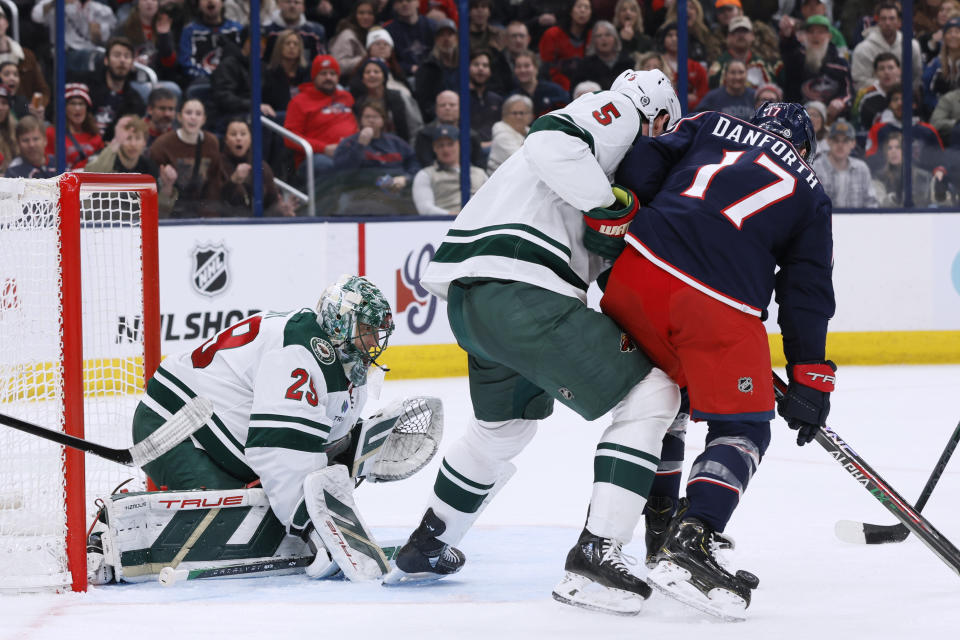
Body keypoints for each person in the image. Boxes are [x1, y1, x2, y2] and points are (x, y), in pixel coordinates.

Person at [386, 70, 683, 618]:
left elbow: (603, 254)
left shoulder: (597, 168)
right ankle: (598, 552)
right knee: (654, 394)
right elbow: (549, 139)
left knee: (504, 429)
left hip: (476, 300)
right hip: (525, 288)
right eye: (665, 127)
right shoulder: (616, 112)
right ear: (656, 113)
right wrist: (610, 203)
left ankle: (429, 540)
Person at [602, 102, 834, 620]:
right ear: (803, 150)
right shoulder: (812, 191)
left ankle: (660, 525)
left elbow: (643, 159)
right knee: (743, 426)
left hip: (636, 275)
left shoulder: (709, 124)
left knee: (670, 397)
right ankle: (694, 535)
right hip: (713, 302)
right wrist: (809, 376)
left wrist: (636, 235)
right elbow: (805, 293)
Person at [103, 276, 394, 582]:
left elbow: (315, 440)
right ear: (339, 323)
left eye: (377, 332)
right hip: (174, 427)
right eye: (366, 329)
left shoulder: (344, 363)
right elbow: (279, 449)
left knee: (270, 520)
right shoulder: (299, 352)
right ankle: (111, 533)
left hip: (223, 437)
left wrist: (351, 450)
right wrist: (315, 526)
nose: (374, 341)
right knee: (233, 526)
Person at [330, 99, 420, 214]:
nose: (371, 120)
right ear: (361, 120)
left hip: (396, 191)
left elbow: (415, 164)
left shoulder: (397, 143)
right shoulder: (349, 143)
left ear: (383, 121)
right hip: (360, 193)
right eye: (367, 117)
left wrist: (406, 178)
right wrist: (360, 145)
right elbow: (342, 172)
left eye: (375, 117)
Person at [284, 54, 358, 179]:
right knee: (328, 166)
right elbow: (290, 137)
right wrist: (324, 149)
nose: (328, 77)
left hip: (350, 152)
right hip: (317, 157)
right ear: (314, 77)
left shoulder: (346, 97)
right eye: (323, 74)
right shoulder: (299, 101)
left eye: (332, 74)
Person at [148, 98, 224, 218]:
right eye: (188, 113)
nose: (193, 117)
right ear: (179, 117)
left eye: (198, 114)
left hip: (202, 213)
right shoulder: (162, 144)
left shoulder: (211, 142)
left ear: (204, 119)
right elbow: (152, 188)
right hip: (171, 212)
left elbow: (214, 184)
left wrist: (211, 218)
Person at [779, 15, 853, 122]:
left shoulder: (840, 64)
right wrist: (787, 36)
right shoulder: (797, 58)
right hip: (798, 119)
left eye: (820, 32)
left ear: (829, 36)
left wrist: (841, 101)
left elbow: (849, 93)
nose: (815, 36)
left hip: (831, 120)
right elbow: (787, 51)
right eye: (811, 32)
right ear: (805, 36)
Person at [73, 36, 147, 141]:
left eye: (127, 56)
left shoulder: (135, 101)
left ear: (132, 64)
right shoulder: (85, 85)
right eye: (117, 55)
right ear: (106, 60)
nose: (122, 60)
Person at [412, 123, 488, 214]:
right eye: (440, 145)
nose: (445, 150)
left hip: (478, 222)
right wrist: (452, 215)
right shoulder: (425, 174)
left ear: (460, 145)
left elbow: (493, 201)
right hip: (443, 224)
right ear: (434, 148)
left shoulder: (479, 173)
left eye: (450, 144)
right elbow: (425, 208)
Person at [850, 2, 922, 94]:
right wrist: (886, 85)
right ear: (877, 21)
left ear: (899, 22)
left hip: (905, 96)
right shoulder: (863, 49)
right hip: (873, 97)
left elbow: (917, 77)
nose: (887, 23)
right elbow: (859, 81)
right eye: (883, 19)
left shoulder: (912, 46)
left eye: (892, 19)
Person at [812, 118, 879, 207]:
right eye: (836, 140)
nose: (840, 145)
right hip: (825, 220)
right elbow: (810, 204)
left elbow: (871, 203)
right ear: (828, 141)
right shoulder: (816, 168)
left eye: (845, 140)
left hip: (857, 220)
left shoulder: (861, 168)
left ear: (853, 143)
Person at [707, 16, 781, 91]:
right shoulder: (720, 65)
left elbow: (771, 94)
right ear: (729, 37)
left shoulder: (761, 65)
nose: (741, 35)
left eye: (745, 31)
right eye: (736, 31)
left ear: (752, 36)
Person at [414, 90, 485, 168]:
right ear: (436, 109)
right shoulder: (424, 134)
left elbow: (478, 164)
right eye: (442, 105)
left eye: (452, 105)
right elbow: (424, 163)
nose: (447, 108)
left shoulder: (471, 135)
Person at [0, 4, 49, 111]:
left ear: (6, 23)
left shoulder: (27, 55)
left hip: (24, 114)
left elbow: (42, 91)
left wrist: (33, 107)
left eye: (0, 17)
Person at [46, 83, 104, 170]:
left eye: (81, 104)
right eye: (73, 103)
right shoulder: (52, 133)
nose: (77, 108)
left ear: (87, 108)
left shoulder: (96, 137)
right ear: (64, 108)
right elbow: (48, 164)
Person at [871, 131, 938, 207]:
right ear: (886, 152)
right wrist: (894, 198)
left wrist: (941, 195)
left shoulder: (924, 177)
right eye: (889, 148)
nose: (893, 151)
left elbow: (939, 203)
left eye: (898, 147)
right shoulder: (878, 177)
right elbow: (880, 203)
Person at [350, 57, 409, 141]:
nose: (372, 75)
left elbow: (412, 125)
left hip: (396, 145)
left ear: (384, 77)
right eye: (367, 72)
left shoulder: (397, 96)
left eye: (376, 72)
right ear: (363, 79)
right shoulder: (358, 102)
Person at [84, 114, 160, 180]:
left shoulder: (150, 167)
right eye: (128, 138)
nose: (133, 144)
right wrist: (115, 144)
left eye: (137, 138)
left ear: (145, 142)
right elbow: (88, 177)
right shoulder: (102, 156)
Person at [538, 0, 593, 92]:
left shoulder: (594, 35)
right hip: (557, 86)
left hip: (586, 86)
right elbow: (547, 68)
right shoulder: (552, 34)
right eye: (579, 7)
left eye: (587, 7)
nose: (582, 11)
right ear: (571, 11)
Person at [413, 18, 459, 121]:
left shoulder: (466, 66)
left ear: (456, 38)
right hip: (437, 120)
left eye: (450, 35)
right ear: (436, 40)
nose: (446, 39)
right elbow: (424, 102)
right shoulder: (427, 67)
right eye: (442, 35)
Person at [570, 21, 634, 91]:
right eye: (599, 36)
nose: (603, 39)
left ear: (615, 38)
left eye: (607, 35)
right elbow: (575, 91)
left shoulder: (627, 62)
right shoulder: (585, 65)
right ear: (593, 41)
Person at [509, 50, 568, 117]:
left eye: (527, 66)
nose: (522, 70)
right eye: (518, 67)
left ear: (536, 68)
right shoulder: (512, 97)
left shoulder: (554, 90)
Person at [384, 0, 435, 79]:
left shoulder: (432, 26)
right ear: (394, 6)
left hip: (433, 74)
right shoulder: (387, 31)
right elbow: (388, 60)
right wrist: (409, 68)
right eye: (400, 1)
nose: (404, 4)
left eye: (409, 0)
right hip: (403, 77)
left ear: (418, 3)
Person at [329, 0, 377, 80]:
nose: (365, 17)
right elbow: (340, 65)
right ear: (354, 15)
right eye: (361, 13)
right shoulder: (347, 35)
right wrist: (367, 58)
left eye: (370, 13)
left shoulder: (376, 33)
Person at [853, 52, 901, 129]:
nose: (886, 72)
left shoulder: (909, 93)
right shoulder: (864, 95)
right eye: (881, 69)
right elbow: (857, 124)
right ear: (875, 73)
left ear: (899, 70)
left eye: (891, 68)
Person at [487, 94, 533, 173]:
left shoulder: (531, 132)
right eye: (514, 113)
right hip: (503, 181)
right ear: (504, 115)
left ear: (531, 116)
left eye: (522, 113)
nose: (518, 117)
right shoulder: (501, 136)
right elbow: (523, 161)